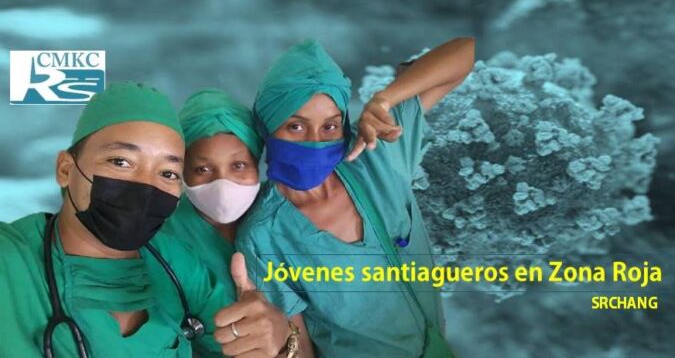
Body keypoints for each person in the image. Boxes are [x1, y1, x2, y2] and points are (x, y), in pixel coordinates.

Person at [0, 82, 299, 357]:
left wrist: (281, 343)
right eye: (121, 162)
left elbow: (246, 345)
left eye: (167, 173)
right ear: (65, 169)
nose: (146, 186)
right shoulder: (12, 261)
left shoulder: (176, 265)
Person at [235, 38, 475, 357]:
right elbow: (300, 346)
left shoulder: (376, 153)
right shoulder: (263, 236)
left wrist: (386, 99)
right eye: (295, 126)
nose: (315, 141)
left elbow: (465, 53)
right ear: (267, 127)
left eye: (330, 126)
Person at [162, 88, 315, 356]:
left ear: (257, 164)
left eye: (238, 166)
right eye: (203, 169)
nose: (223, 184)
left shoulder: (281, 215)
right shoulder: (163, 239)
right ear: (182, 172)